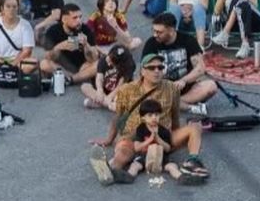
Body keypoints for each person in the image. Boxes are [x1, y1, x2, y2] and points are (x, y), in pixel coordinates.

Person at [89, 55, 209, 185]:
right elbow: (118, 117)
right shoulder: (127, 89)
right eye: (152, 68)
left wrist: (176, 137)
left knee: (195, 127)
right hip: (134, 137)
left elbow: (175, 116)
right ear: (142, 71)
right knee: (123, 151)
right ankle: (111, 171)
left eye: (160, 67)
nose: (157, 71)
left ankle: (192, 161)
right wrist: (109, 140)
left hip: (162, 135)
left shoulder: (171, 88)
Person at [140, 12, 219, 112]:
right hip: (161, 87)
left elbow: (200, 68)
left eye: (159, 32)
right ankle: (179, 105)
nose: (155, 35)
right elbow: (144, 70)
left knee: (211, 86)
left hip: (184, 88)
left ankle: (171, 103)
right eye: (154, 31)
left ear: (171, 31)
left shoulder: (188, 40)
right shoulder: (151, 43)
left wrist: (184, 80)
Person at [41, 3, 98, 83]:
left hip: (82, 66)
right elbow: (48, 57)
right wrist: (59, 47)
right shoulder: (53, 31)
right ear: (64, 19)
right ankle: (75, 78)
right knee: (44, 64)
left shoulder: (85, 29)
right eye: (75, 18)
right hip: (61, 67)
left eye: (80, 17)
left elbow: (93, 58)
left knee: (98, 64)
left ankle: (71, 79)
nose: (79, 21)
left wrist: (86, 45)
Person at [81, 44, 135, 111]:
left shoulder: (128, 66)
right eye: (109, 58)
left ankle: (100, 103)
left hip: (118, 91)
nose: (109, 63)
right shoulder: (103, 60)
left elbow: (120, 86)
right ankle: (108, 104)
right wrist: (100, 90)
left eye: (112, 62)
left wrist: (110, 97)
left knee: (120, 97)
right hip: (105, 90)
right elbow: (99, 78)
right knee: (85, 87)